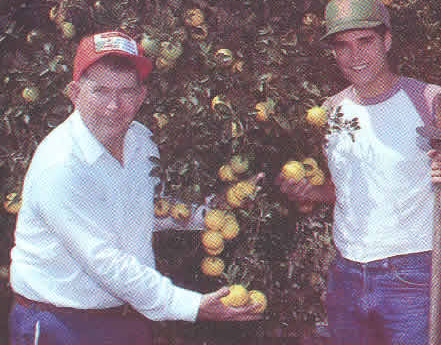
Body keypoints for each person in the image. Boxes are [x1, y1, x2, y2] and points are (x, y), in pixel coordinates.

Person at [9, 31, 261, 345]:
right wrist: (191, 306)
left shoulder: (141, 141)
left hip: (126, 318)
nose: (114, 105)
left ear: (142, 96)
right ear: (74, 93)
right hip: (62, 325)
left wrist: (215, 208)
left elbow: (149, 210)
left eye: (126, 91)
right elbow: (104, 261)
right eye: (100, 91)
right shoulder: (61, 165)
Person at [277, 0, 441, 344]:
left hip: (411, 278)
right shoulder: (329, 112)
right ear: (333, 52)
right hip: (345, 277)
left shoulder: (429, 101)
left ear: (387, 41)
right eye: (342, 45)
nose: (355, 55)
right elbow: (345, 188)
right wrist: (310, 191)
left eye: (365, 41)